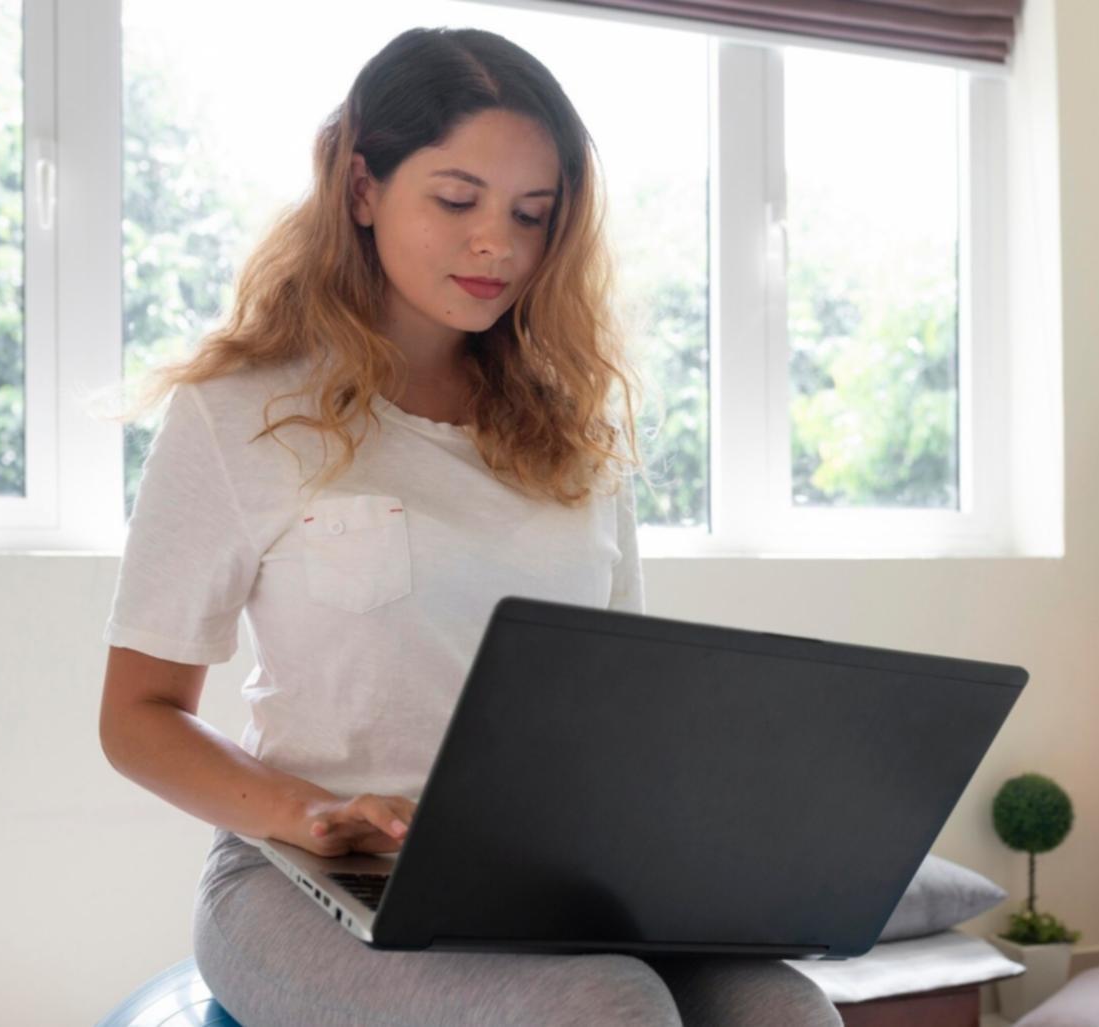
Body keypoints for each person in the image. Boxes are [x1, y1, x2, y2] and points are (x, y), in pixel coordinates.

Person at [97, 26, 842, 1027]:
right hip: (303, 876)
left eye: (531, 214)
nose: (499, 243)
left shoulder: (578, 436)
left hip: (539, 878)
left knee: (785, 1008)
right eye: (457, 200)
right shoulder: (242, 412)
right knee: (606, 1006)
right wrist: (308, 812)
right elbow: (137, 716)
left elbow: (616, 709)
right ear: (362, 187)